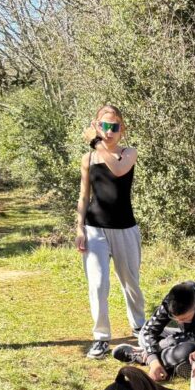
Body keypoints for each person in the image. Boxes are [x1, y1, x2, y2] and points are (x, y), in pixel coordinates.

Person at [75, 104, 146, 359]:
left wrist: (96, 143)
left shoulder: (128, 153)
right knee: (98, 284)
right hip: (95, 228)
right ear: (96, 125)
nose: (109, 131)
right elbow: (84, 196)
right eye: (104, 126)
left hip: (125, 228)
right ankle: (101, 337)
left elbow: (117, 170)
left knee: (130, 282)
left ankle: (140, 328)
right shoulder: (88, 159)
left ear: (122, 129)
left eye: (114, 127)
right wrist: (79, 228)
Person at [112, 281, 195, 381]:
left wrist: (153, 351)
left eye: (184, 319)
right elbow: (150, 329)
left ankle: (142, 356)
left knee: (187, 350)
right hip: (186, 336)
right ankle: (161, 362)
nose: (180, 322)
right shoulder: (172, 299)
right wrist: (153, 360)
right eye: (174, 318)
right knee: (145, 332)